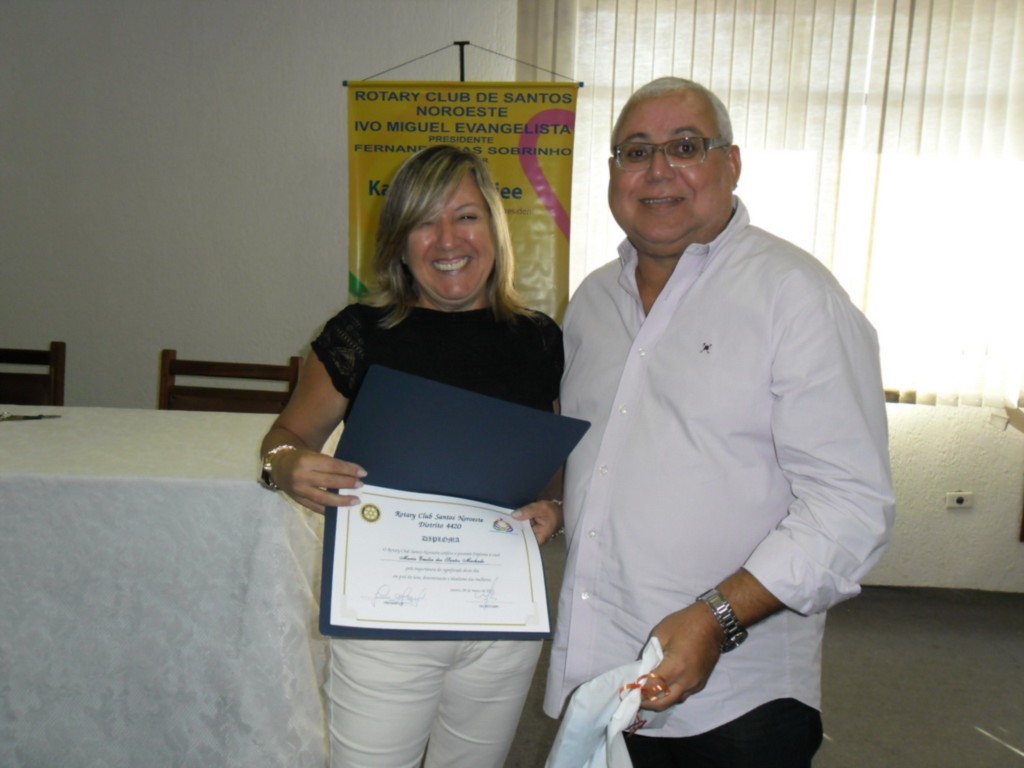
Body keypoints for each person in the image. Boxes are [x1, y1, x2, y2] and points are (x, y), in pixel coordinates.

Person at [542, 77, 896, 766]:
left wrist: (718, 617)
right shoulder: (591, 303)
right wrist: (549, 501)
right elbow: (603, 456)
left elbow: (852, 507)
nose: (658, 170)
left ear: (731, 164)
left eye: (685, 147)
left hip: (738, 702)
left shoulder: (796, 297)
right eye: (635, 151)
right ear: (612, 173)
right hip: (603, 675)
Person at [258, 145, 564, 768]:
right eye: (425, 221)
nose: (447, 239)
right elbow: (285, 436)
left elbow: (549, 457)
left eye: (466, 216)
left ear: (494, 228)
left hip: (500, 616)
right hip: (385, 621)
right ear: (400, 242)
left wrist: (554, 506)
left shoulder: (538, 339)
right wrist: (284, 466)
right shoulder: (359, 334)